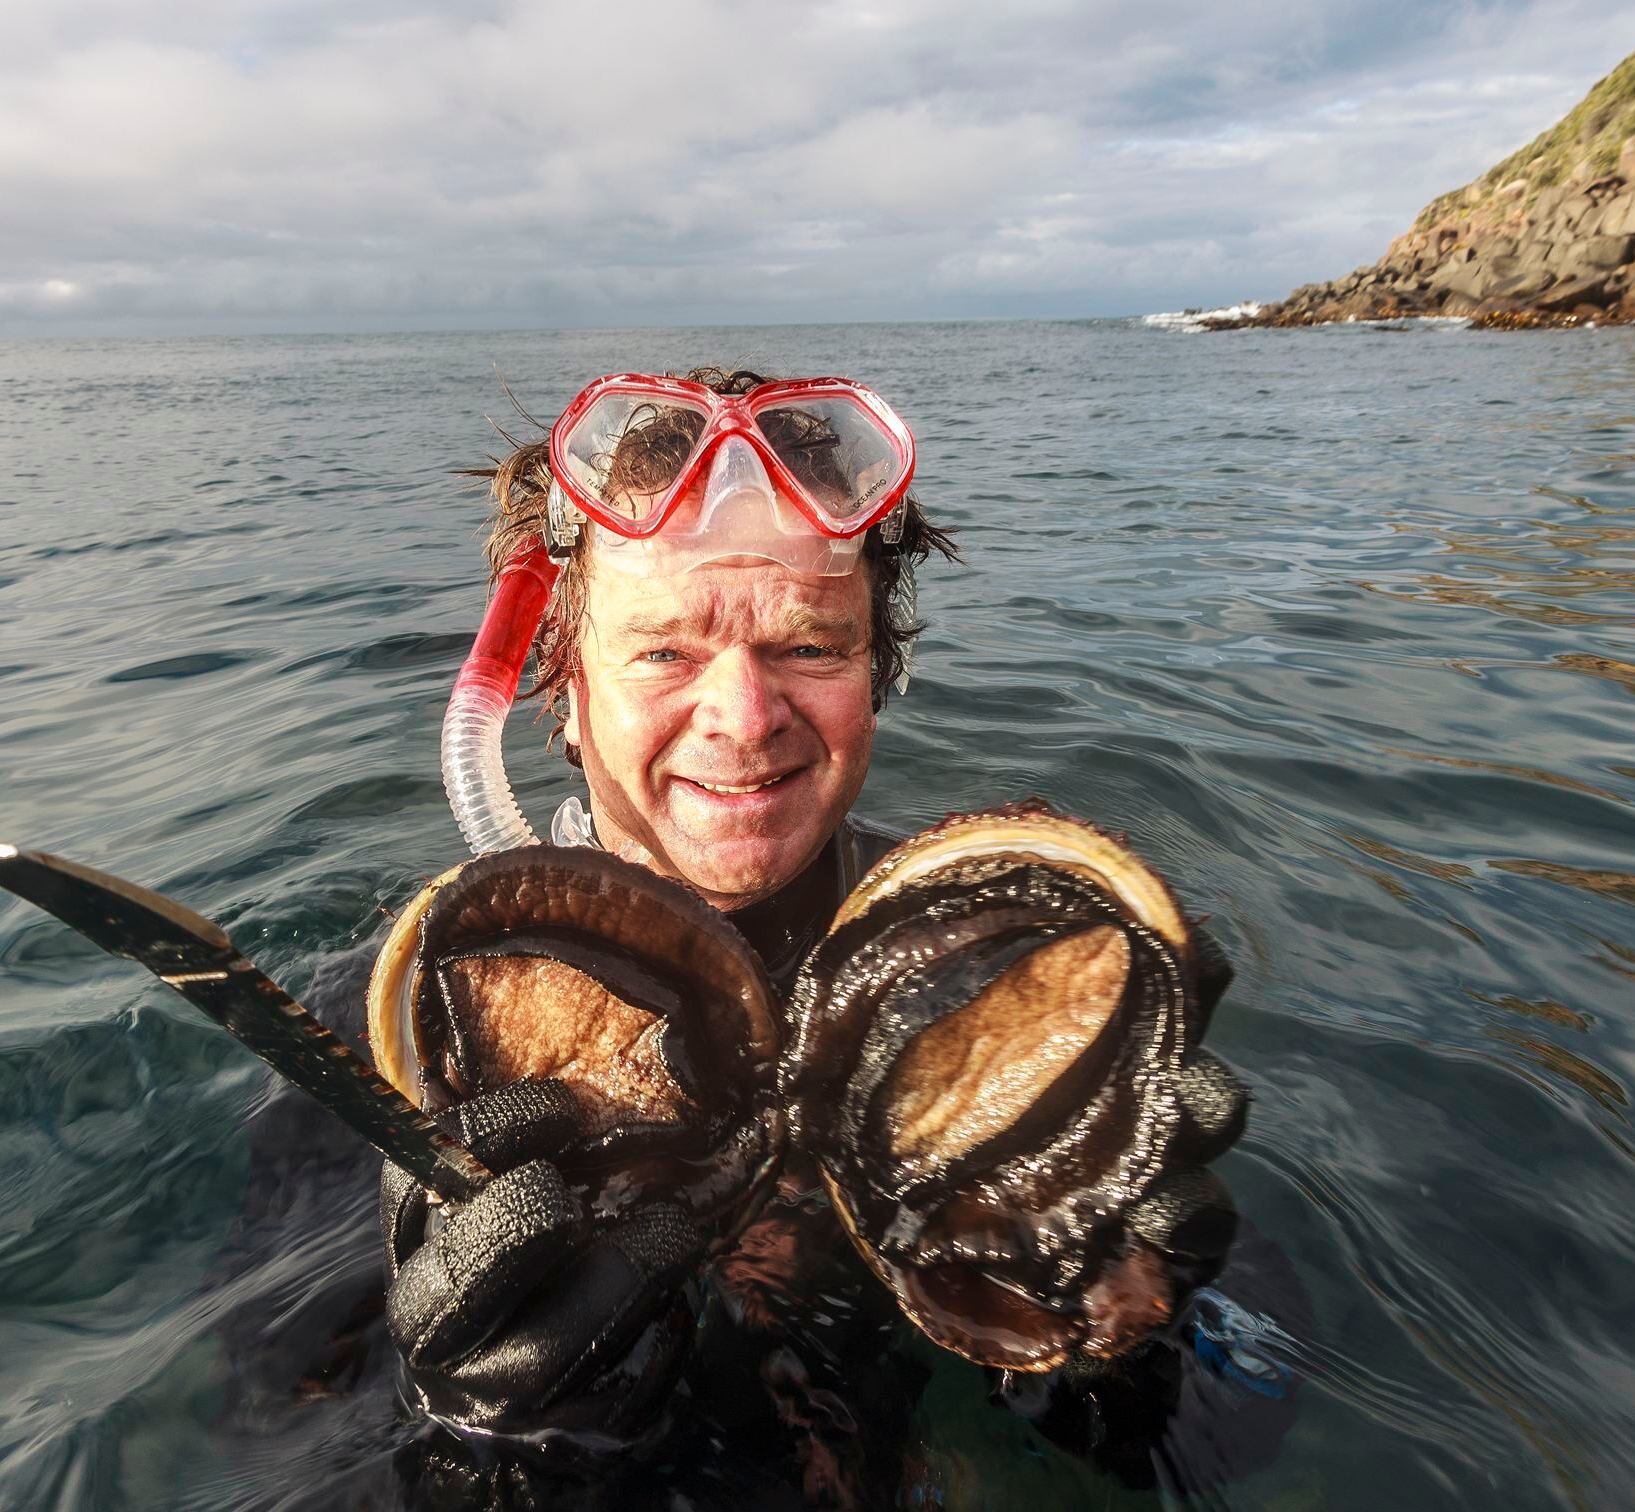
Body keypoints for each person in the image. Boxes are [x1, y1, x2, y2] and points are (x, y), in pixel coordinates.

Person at [372, 369, 1293, 1506]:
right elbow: (259, 1424)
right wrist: (484, 1443)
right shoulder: (405, 1046)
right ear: (560, 689)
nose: (744, 718)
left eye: (809, 647)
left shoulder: (1010, 978)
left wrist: (1130, 1335)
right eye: (662, 652)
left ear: (877, 669)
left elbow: (1251, 1424)